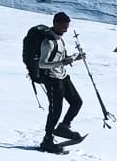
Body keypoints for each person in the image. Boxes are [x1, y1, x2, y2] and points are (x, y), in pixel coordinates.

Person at [34, 12, 85, 153]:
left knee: (77, 102)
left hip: (62, 77)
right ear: (56, 23)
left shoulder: (59, 39)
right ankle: (47, 140)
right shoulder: (48, 42)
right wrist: (62, 62)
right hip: (52, 80)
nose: (66, 30)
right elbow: (42, 64)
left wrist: (74, 58)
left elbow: (60, 58)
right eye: (64, 27)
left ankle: (63, 127)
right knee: (55, 110)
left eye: (67, 27)